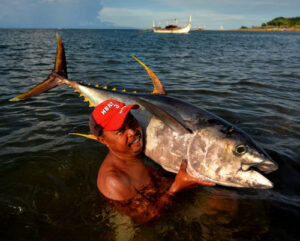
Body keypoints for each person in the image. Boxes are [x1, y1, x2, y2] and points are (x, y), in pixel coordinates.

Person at [89, 99, 215, 224]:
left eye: (132, 123)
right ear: (102, 140)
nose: (132, 132)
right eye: (120, 131)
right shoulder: (114, 180)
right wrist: (176, 188)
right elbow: (144, 219)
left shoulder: (137, 151)